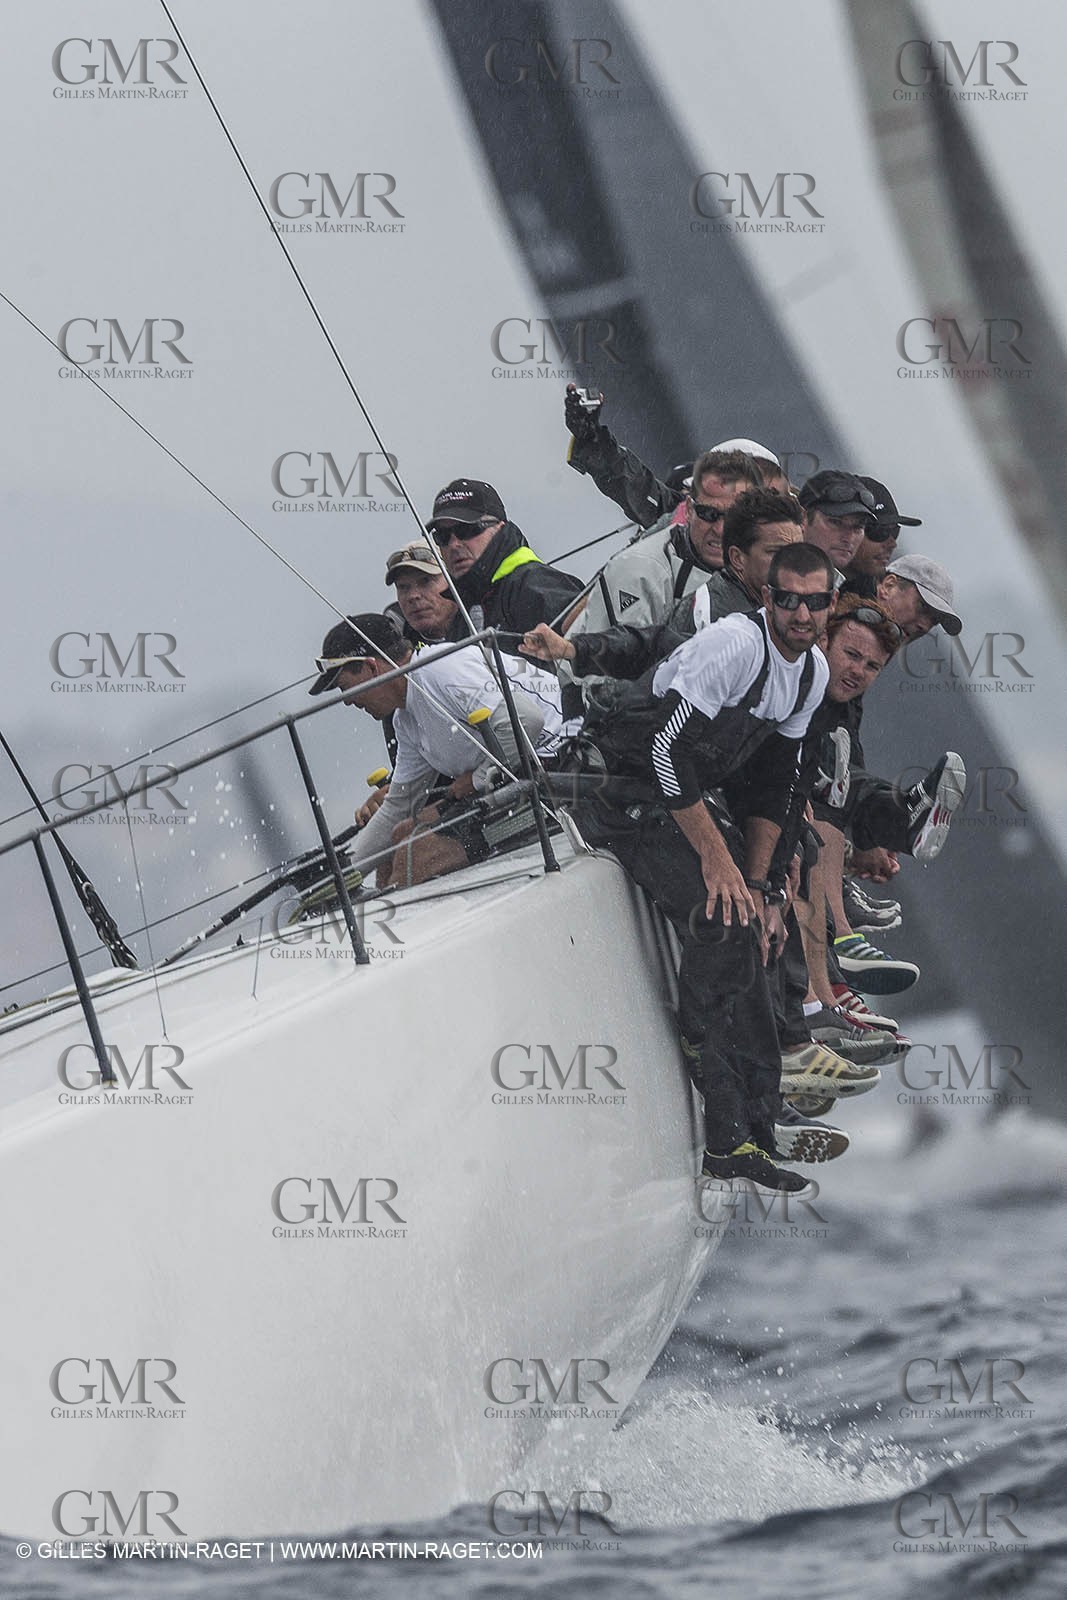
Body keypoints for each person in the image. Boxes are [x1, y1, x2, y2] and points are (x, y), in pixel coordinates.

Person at [569, 544, 880, 1195]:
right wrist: (719, 865)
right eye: (787, 598)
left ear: (827, 610)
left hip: (674, 800)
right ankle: (700, 1048)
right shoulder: (734, 647)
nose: (799, 613)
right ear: (767, 599)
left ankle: (741, 1137)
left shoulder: (805, 678)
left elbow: (772, 789)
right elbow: (663, 751)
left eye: (813, 601)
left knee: (759, 930)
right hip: (615, 788)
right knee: (727, 920)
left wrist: (764, 885)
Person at [308, 614, 554, 888]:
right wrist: (341, 879)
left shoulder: (438, 670)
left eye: (345, 688)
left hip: (560, 770)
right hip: (518, 781)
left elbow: (528, 721)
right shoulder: (405, 719)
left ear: (371, 667)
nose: (347, 702)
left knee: (416, 851)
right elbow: (400, 806)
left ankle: (398, 924)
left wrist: (476, 779)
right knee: (398, 836)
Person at [566, 447, 763, 636]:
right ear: (688, 510)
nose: (720, 529)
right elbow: (607, 666)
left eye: (734, 516)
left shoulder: (771, 570)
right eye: (708, 514)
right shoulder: (639, 570)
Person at [426, 478, 584, 647]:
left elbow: (590, 659)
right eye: (442, 536)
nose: (454, 544)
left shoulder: (540, 588)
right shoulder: (464, 607)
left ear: (499, 527)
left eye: (466, 530)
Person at [796, 471, 879, 582]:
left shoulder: (853, 592)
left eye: (858, 527)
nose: (848, 537)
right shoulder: (769, 577)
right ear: (803, 519)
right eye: (836, 522)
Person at [842, 478, 923, 593]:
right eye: (880, 531)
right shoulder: (810, 586)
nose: (892, 544)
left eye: (895, 532)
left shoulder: (872, 602)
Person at [384, 542, 457, 644]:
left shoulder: (484, 624)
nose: (413, 596)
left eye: (425, 581)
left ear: (454, 581)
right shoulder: (393, 651)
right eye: (403, 587)